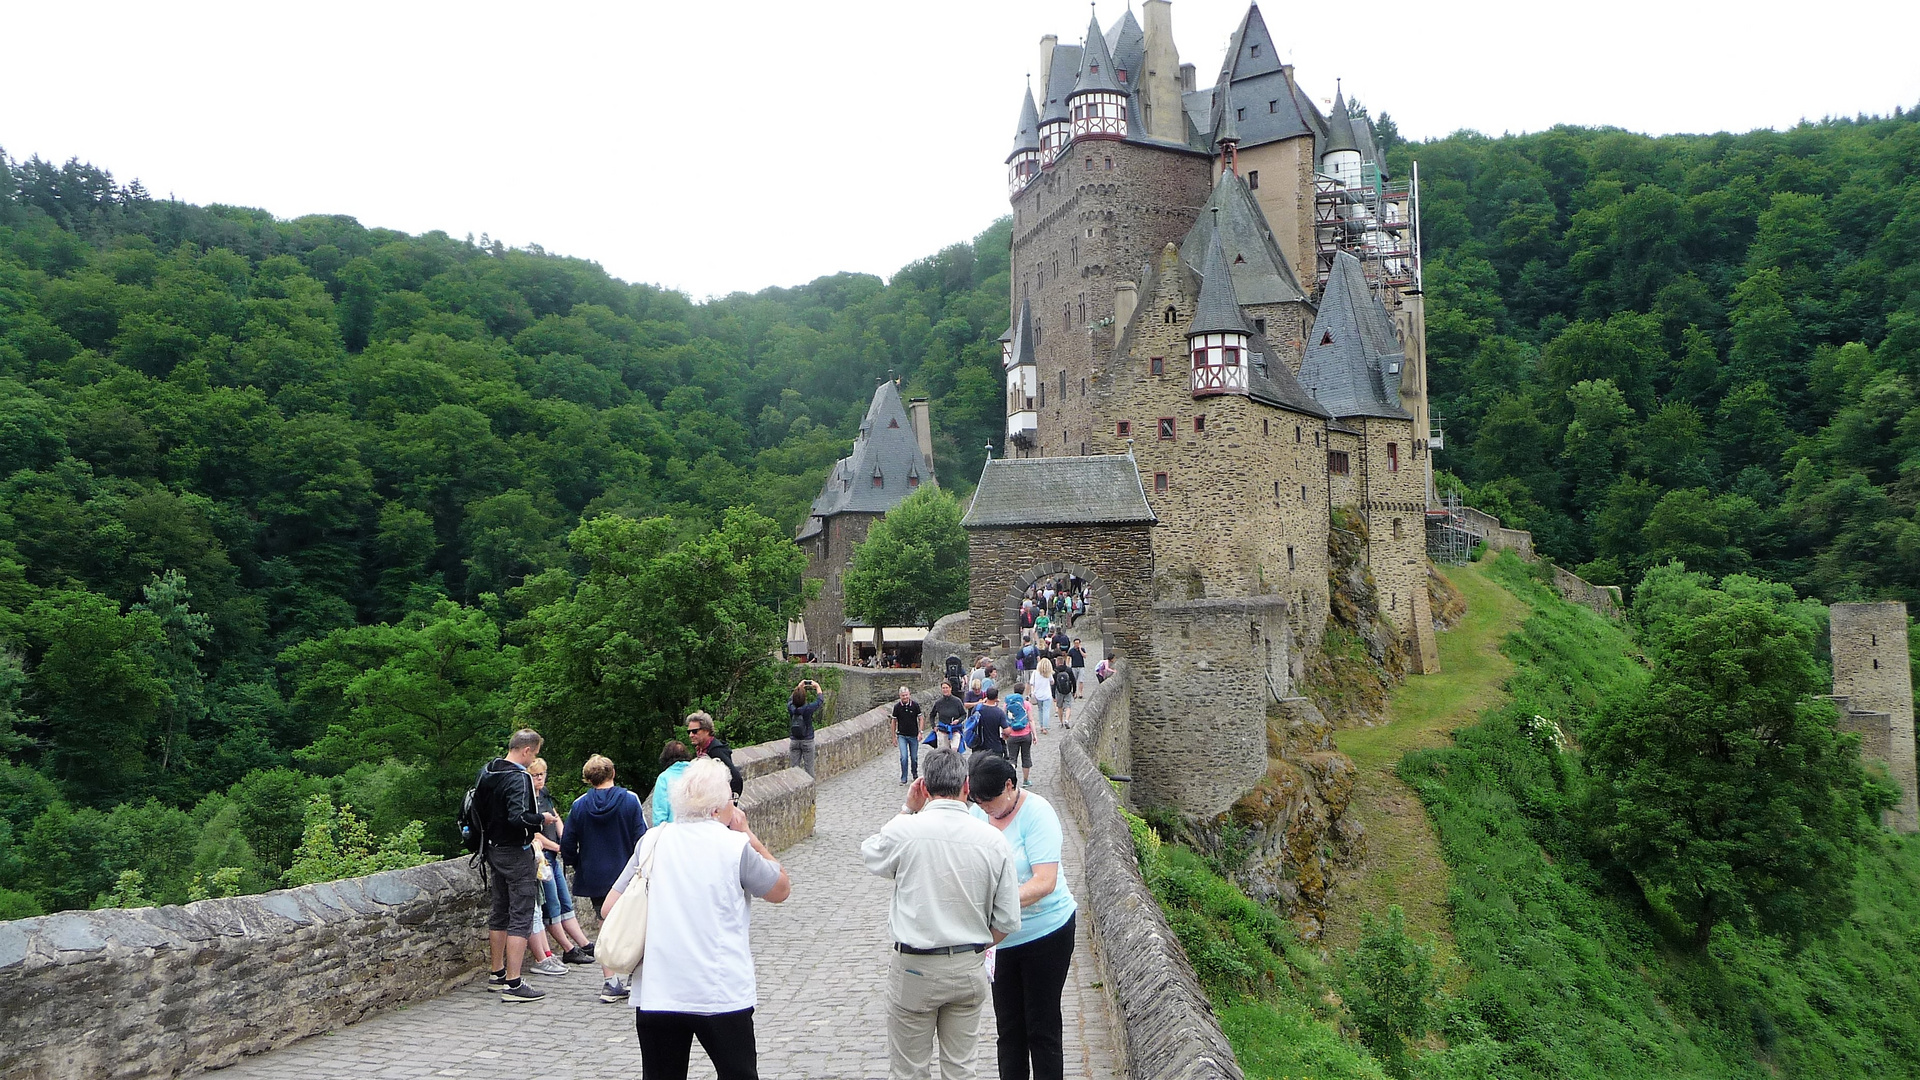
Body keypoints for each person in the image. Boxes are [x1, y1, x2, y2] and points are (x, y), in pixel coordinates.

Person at [604, 758, 791, 1080]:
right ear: (719, 808)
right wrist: (748, 833)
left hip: (659, 989)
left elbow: (610, 908)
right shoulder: (734, 846)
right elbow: (780, 889)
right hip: (718, 991)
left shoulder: (652, 841)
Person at [861, 750, 1022, 1080]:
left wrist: (907, 808)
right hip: (967, 968)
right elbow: (1007, 920)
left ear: (923, 786)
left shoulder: (906, 831)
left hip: (915, 968)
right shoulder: (994, 840)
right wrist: (972, 946)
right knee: (961, 1070)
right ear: (966, 786)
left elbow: (872, 855)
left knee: (909, 1071)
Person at [968, 753, 1080, 1080]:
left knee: (1041, 1028)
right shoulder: (976, 815)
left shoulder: (1038, 813)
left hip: (1046, 933)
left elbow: (1044, 882)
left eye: (990, 800)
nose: (985, 807)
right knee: (1010, 1029)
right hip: (1000, 941)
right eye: (979, 801)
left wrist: (998, 904)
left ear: (1010, 785)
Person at [476, 728, 559, 1003]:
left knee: (499, 910)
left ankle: (496, 973)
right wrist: (541, 819)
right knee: (521, 914)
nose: (533, 759)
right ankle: (513, 983)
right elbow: (517, 817)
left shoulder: (488, 771)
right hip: (515, 850)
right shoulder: (518, 777)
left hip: (492, 849)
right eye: (533, 754)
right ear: (526, 750)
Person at [561, 753, 647, 1004]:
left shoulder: (579, 805)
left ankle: (610, 982)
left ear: (588, 778)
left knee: (604, 923)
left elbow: (567, 843)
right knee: (636, 923)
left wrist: (579, 864)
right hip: (627, 874)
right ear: (613, 773)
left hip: (595, 876)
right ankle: (635, 975)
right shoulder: (630, 801)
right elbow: (642, 840)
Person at [530, 758, 594, 966]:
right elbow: (534, 835)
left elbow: (557, 819)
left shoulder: (545, 795)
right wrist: (558, 847)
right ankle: (568, 948)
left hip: (553, 857)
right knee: (552, 905)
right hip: (542, 857)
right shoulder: (528, 800)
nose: (540, 778)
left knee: (565, 901)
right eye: (536, 775)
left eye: (542, 774)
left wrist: (566, 840)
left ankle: (584, 944)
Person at [686, 711, 745, 800]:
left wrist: (731, 803)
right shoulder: (702, 749)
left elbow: (736, 778)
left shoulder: (716, 751)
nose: (691, 735)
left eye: (694, 731)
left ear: (706, 731)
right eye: (689, 732)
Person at [651, 741, 693, 825]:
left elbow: (660, 811)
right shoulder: (697, 774)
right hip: (697, 830)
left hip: (673, 831)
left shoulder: (664, 778)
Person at [788, 679, 824, 777]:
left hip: (794, 740)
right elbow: (820, 701)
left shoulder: (791, 708)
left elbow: (790, 700)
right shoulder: (808, 709)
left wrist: (798, 687)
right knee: (809, 769)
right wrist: (817, 686)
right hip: (807, 740)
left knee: (794, 769)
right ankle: (810, 789)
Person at [1003, 683, 1036, 787]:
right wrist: (1034, 734)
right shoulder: (1026, 704)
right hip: (1025, 734)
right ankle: (1026, 781)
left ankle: (1012, 781)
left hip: (1012, 735)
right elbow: (1031, 720)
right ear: (1022, 691)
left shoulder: (1006, 704)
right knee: (1026, 757)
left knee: (1012, 758)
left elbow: (1005, 720)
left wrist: (1004, 732)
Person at [892, 685, 924, 784]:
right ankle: (904, 777)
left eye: (906, 695)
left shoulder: (915, 705)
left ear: (909, 694)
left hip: (913, 735)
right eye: (903, 696)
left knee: (914, 757)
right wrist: (893, 736)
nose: (905, 697)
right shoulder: (897, 707)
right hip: (902, 735)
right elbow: (893, 721)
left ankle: (914, 772)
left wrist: (920, 732)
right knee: (904, 757)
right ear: (900, 696)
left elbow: (921, 718)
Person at [930, 679, 968, 753]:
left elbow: (964, 714)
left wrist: (958, 720)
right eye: (943, 688)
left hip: (955, 730)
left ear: (950, 688)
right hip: (942, 730)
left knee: (954, 751)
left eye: (946, 688)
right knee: (943, 753)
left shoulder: (957, 701)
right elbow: (932, 715)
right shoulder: (938, 703)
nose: (945, 690)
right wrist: (933, 726)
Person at [973, 688, 1008, 759]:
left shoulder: (977, 709)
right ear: (996, 697)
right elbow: (1007, 731)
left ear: (986, 696)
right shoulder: (999, 712)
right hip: (995, 747)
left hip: (979, 747)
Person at [1028, 656, 1056, 734]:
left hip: (1038, 694)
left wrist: (1032, 692)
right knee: (1046, 711)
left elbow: (1031, 683)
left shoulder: (1035, 673)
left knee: (1040, 710)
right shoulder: (1048, 674)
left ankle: (1041, 725)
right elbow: (1052, 682)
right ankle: (1045, 727)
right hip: (1047, 694)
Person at [1051, 659, 1077, 731]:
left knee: (1059, 707)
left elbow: (1053, 684)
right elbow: (1074, 681)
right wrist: (1074, 691)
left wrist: (1053, 695)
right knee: (1068, 706)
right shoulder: (1068, 670)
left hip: (1059, 691)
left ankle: (1061, 722)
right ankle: (1067, 720)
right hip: (1068, 691)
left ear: (1057, 663)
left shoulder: (1055, 671)